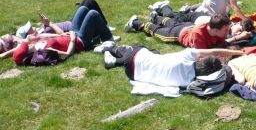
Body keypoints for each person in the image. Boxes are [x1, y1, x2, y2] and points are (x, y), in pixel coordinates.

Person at [102, 44, 244, 87]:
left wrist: (237, 53)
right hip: (134, 75)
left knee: (138, 48)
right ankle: (115, 60)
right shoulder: (188, 82)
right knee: (154, 52)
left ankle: (112, 52)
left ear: (201, 60)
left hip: (134, 58)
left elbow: (214, 50)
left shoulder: (187, 56)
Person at [12, 6, 114, 65]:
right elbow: (66, 54)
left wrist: (63, 34)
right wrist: (73, 40)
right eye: (27, 44)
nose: (29, 42)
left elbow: (57, 35)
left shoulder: (37, 42)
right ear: (28, 50)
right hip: (79, 41)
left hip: (70, 33)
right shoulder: (44, 52)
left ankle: (98, 35)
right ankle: (109, 39)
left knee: (83, 8)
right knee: (93, 13)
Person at [124, 13, 231, 49]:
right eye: (225, 30)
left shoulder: (215, 28)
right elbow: (204, 54)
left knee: (171, 23)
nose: (228, 32)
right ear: (216, 30)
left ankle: (156, 17)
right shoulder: (198, 35)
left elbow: (222, 43)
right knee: (156, 31)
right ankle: (135, 23)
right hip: (177, 34)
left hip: (187, 26)